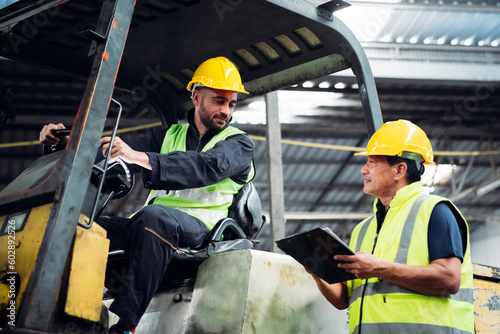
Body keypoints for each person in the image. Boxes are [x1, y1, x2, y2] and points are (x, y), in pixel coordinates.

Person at [39, 57, 255, 334]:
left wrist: (138, 157)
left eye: (231, 103)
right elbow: (114, 152)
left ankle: (125, 327)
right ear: (197, 96)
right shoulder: (168, 136)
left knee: (153, 216)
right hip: (151, 226)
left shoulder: (238, 143)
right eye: (218, 101)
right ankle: (79, 315)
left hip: (203, 231)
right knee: (83, 225)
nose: (225, 111)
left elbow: (205, 167)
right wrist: (65, 144)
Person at [308, 120, 474, 334]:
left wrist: (378, 268)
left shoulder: (436, 211)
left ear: (399, 170)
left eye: (372, 162)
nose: (363, 170)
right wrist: (317, 271)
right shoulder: (362, 230)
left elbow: (450, 279)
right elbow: (344, 300)